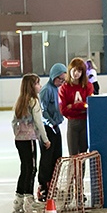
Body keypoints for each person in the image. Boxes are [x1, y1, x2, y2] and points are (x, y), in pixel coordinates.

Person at [11, 74, 50, 213]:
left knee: (24, 168)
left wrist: (17, 133)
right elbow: (39, 123)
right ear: (32, 86)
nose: (40, 86)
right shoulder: (33, 101)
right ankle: (29, 199)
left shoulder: (20, 101)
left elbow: (13, 122)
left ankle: (18, 201)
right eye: (37, 84)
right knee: (32, 168)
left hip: (19, 139)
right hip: (29, 139)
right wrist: (45, 139)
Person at [38, 63, 67, 198]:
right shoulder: (46, 90)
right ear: (53, 76)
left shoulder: (58, 89)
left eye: (63, 80)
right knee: (47, 158)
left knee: (57, 156)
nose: (61, 82)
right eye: (59, 79)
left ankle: (53, 183)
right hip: (47, 128)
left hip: (55, 127)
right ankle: (44, 185)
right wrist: (51, 123)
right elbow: (42, 111)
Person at [60, 57, 94, 156]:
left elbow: (89, 106)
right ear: (70, 70)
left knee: (83, 154)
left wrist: (73, 106)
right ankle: (74, 172)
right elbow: (64, 110)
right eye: (74, 70)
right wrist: (82, 107)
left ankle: (81, 172)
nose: (76, 73)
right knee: (73, 155)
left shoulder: (88, 86)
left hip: (85, 122)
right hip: (72, 123)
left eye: (79, 71)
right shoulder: (64, 88)